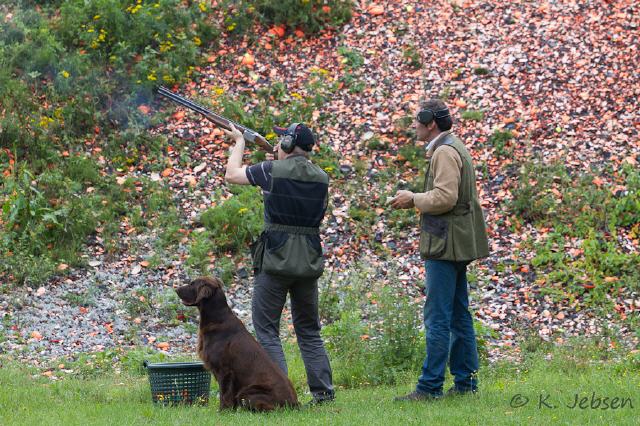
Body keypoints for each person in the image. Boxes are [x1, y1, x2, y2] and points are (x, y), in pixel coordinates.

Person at [224, 121, 335, 405]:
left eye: (281, 139)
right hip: (308, 260)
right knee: (309, 331)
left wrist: (239, 142)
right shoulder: (321, 177)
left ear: (287, 144)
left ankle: (279, 394)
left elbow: (232, 175)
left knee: (267, 331)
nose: (277, 143)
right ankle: (323, 394)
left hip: (275, 259)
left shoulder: (272, 170)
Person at [390, 99, 490, 400]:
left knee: (437, 317)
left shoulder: (444, 152)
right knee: (459, 314)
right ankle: (465, 384)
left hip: (446, 244)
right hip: (456, 241)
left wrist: (413, 198)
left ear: (430, 122)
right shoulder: (452, 145)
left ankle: (430, 386)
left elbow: (445, 198)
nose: (414, 125)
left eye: (417, 120)